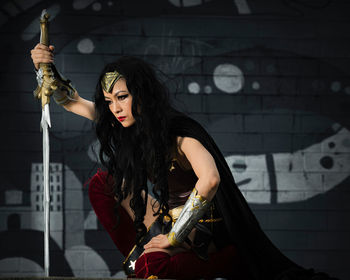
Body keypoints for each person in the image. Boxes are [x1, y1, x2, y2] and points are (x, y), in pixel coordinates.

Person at [30, 44, 338, 280]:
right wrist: (45, 69)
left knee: (154, 264)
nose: (115, 108)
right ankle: (141, 259)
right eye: (109, 101)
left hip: (210, 239)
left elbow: (211, 180)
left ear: (142, 95)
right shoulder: (128, 125)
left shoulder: (181, 134)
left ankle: (152, 263)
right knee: (103, 184)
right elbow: (69, 100)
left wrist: (173, 237)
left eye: (122, 97)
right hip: (169, 222)